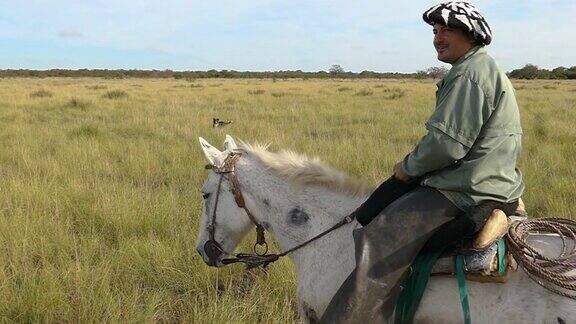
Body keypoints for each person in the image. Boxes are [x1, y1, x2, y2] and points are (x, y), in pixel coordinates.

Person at [321, 2, 524, 323]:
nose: (438, 37)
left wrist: (408, 168)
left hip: (466, 186)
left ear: (470, 35)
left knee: (379, 238)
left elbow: (446, 145)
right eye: (435, 31)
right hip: (490, 177)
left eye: (448, 30)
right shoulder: (479, 68)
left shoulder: (469, 75)